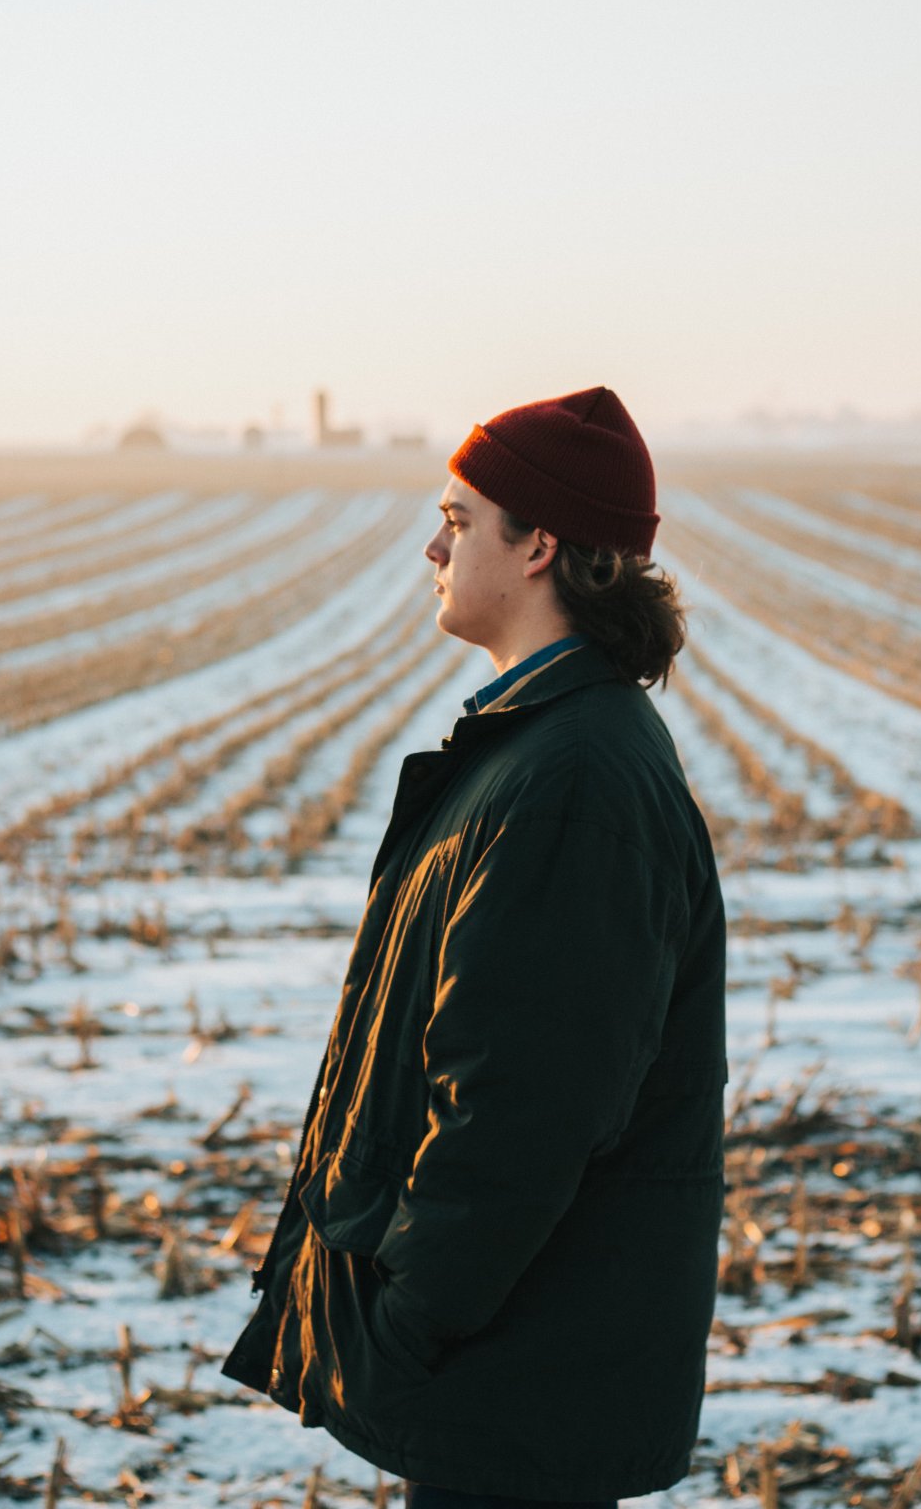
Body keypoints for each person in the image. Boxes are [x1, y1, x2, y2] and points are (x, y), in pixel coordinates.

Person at [221, 385, 728, 1509]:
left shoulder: (573, 785)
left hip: (515, 1378)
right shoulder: (543, 747)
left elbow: (522, 1106)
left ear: (541, 543)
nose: (430, 546)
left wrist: (413, 1318)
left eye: (457, 519)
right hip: (511, 1376)